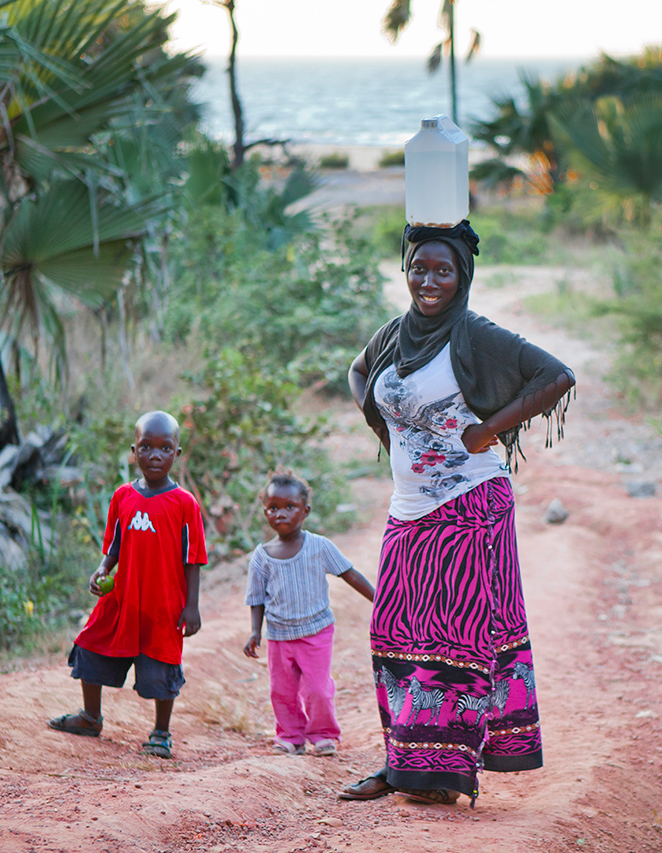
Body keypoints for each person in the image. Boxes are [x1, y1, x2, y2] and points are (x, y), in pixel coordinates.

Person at [340, 220, 575, 807]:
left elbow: (557, 375)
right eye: (419, 267)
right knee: (391, 630)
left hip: (471, 506)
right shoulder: (395, 335)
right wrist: (387, 431)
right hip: (409, 510)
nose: (428, 280)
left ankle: (443, 769)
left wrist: (489, 430)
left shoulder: (475, 334)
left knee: (455, 637)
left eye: (442, 270)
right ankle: (403, 759)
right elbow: (358, 372)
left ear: (462, 275)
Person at [47, 410, 207, 760]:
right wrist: (102, 568)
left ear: (177, 454)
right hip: (123, 597)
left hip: (163, 602)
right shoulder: (122, 497)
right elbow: (115, 545)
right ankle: (90, 717)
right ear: (133, 451)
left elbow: (193, 558)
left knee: (163, 663)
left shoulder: (184, 504)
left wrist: (191, 606)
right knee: (90, 643)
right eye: (146, 447)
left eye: (165, 448)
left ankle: (161, 732)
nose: (155, 455)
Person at [243, 472, 376, 756]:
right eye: (273, 508)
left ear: (305, 511)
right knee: (282, 691)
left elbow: (349, 574)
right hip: (279, 636)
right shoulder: (262, 556)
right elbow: (256, 599)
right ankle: (290, 736)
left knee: (317, 688)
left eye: (289, 507)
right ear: (265, 512)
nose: (281, 513)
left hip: (316, 632)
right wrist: (255, 631)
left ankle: (323, 734)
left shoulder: (319, 546)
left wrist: (380, 600)